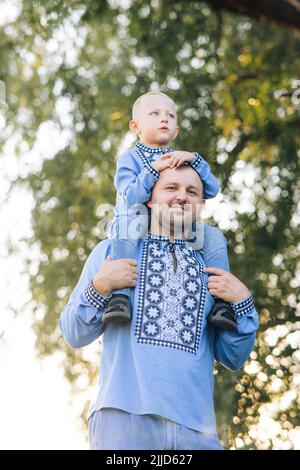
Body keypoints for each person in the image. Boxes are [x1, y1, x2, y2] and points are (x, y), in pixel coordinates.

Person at [59, 164, 259, 450]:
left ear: (201, 205)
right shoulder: (113, 252)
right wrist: (100, 285)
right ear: (150, 199)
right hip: (124, 425)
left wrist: (243, 303)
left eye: (192, 191)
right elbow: (73, 333)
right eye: (171, 188)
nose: (182, 196)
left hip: (197, 432)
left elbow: (232, 356)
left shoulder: (212, 269)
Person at [103, 90, 221, 323]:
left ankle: (222, 304)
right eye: (155, 114)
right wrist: (153, 169)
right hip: (136, 218)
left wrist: (195, 159)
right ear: (136, 126)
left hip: (175, 223)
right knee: (125, 227)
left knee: (213, 236)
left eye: (170, 116)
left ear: (176, 130)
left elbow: (212, 190)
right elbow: (130, 197)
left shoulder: (180, 159)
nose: (164, 119)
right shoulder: (130, 158)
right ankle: (120, 297)